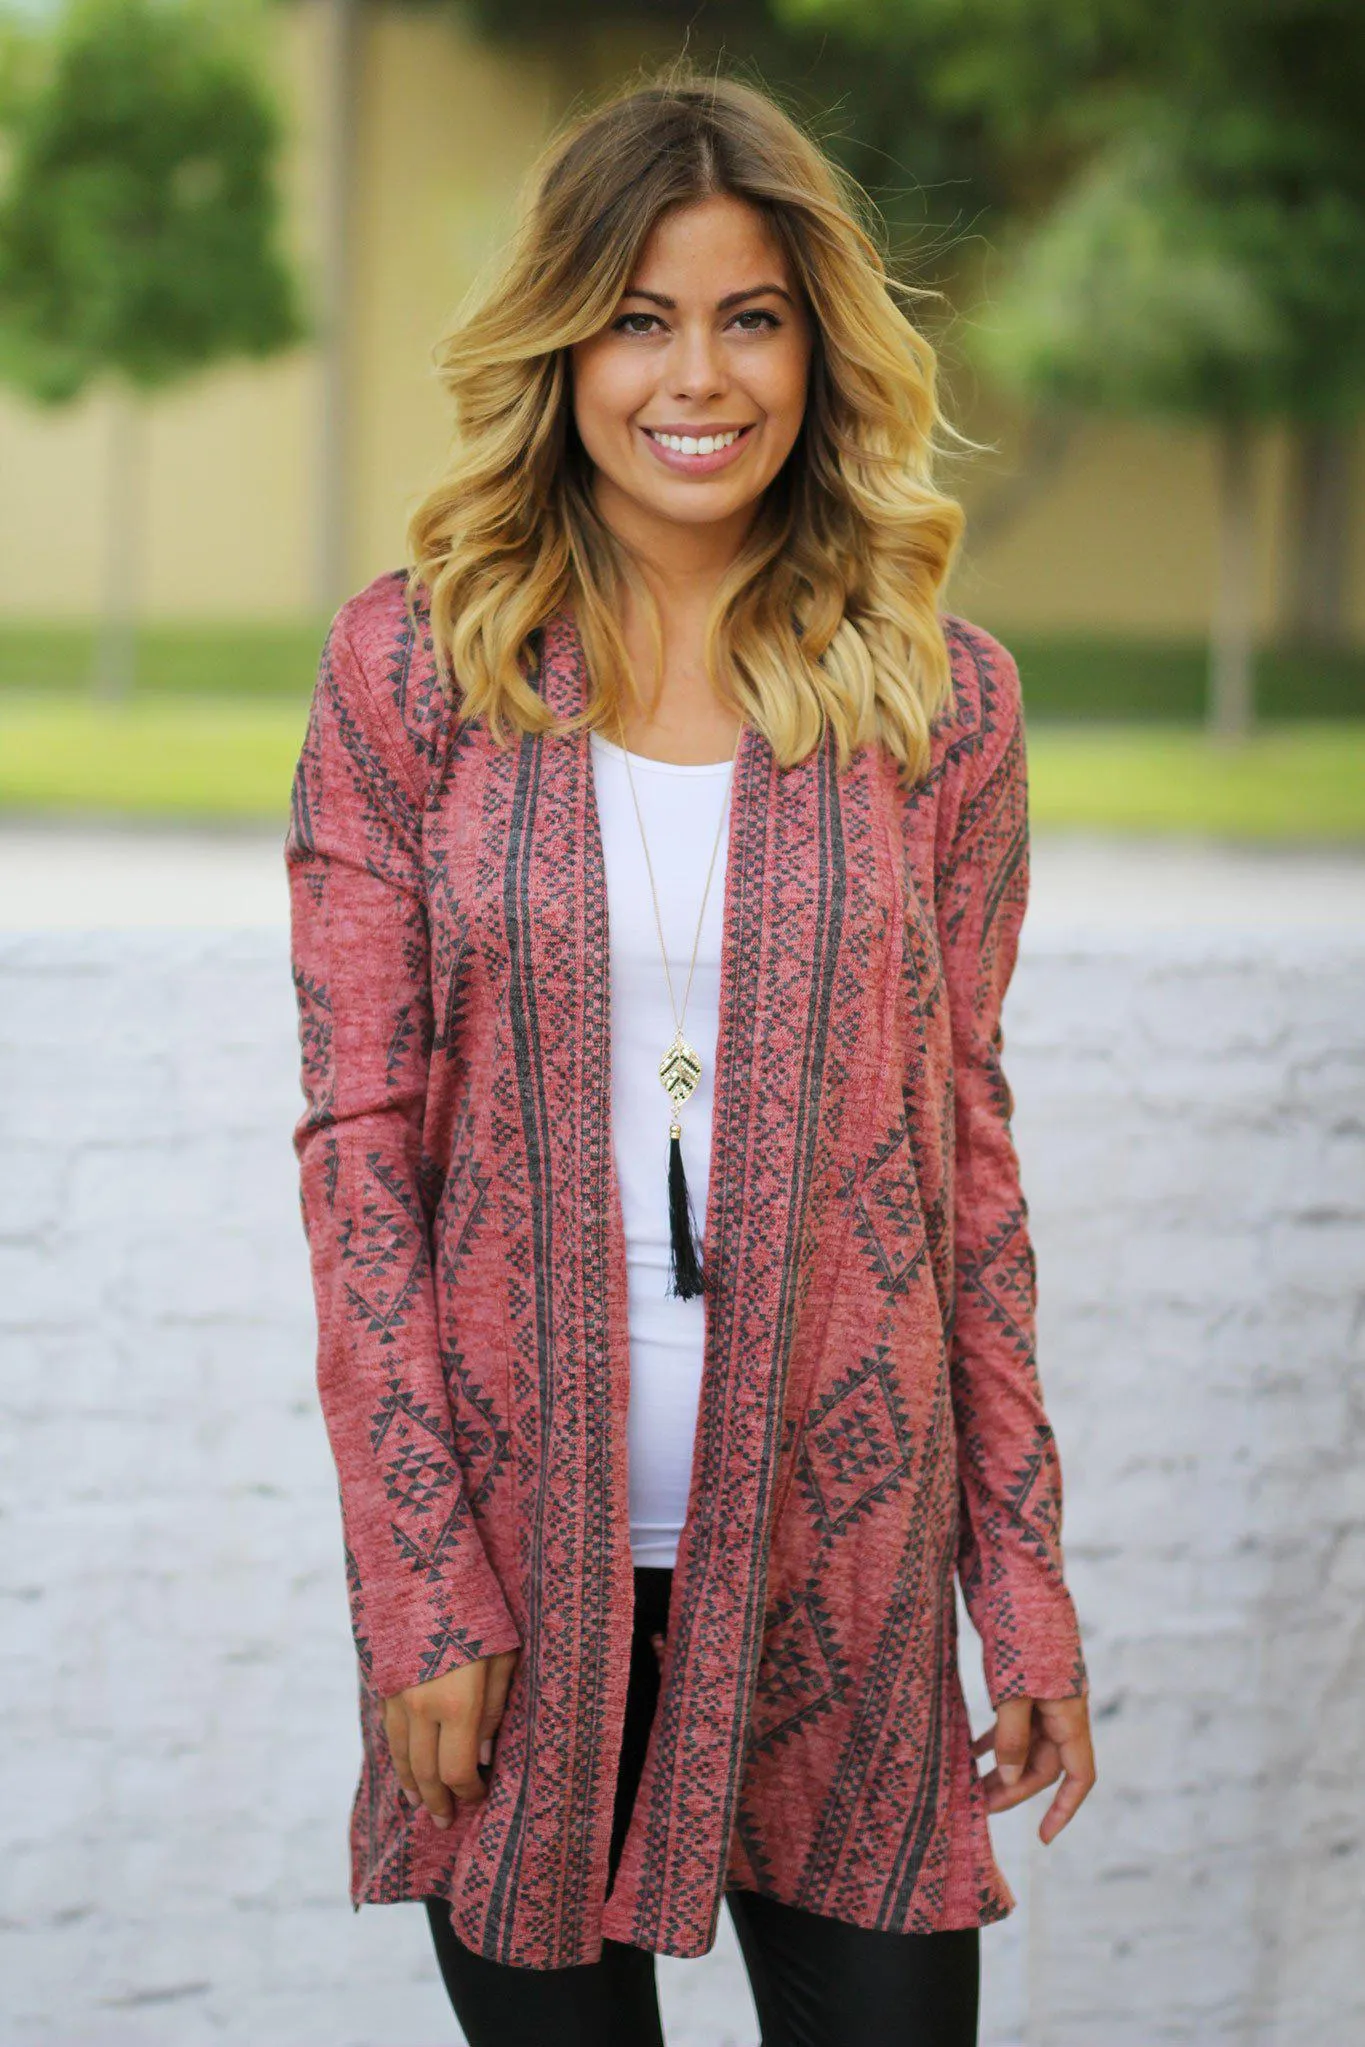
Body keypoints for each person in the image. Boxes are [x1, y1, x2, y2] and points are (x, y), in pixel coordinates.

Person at [284, 60, 1096, 2047]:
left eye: (748, 316)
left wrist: (1027, 1587)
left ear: (816, 349)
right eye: (638, 317)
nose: (694, 375)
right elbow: (358, 1151)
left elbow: (963, 1165)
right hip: (512, 1572)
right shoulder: (418, 674)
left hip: (852, 1563)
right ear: (562, 343)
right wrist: (420, 1596)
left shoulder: (937, 704)